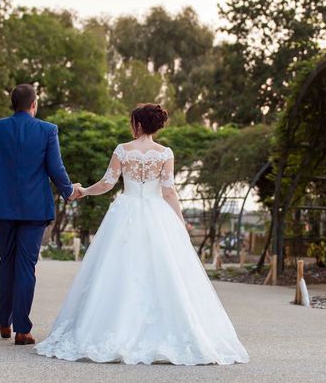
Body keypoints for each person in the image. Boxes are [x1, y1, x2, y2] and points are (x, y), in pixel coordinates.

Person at [35, 103, 249, 365]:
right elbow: (168, 191)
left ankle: (111, 329)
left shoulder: (123, 150)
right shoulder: (165, 153)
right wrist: (179, 222)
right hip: (157, 213)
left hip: (126, 212)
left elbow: (107, 183)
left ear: (137, 124)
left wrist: (83, 191)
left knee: (118, 268)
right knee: (164, 269)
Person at [0, 83, 82, 345]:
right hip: (34, 210)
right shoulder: (47, 130)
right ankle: (22, 329)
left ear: (14, 104)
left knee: (6, 261)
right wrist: (68, 190)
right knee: (25, 266)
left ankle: (3, 321)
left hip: (0, 208)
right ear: (34, 104)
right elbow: (55, 167)